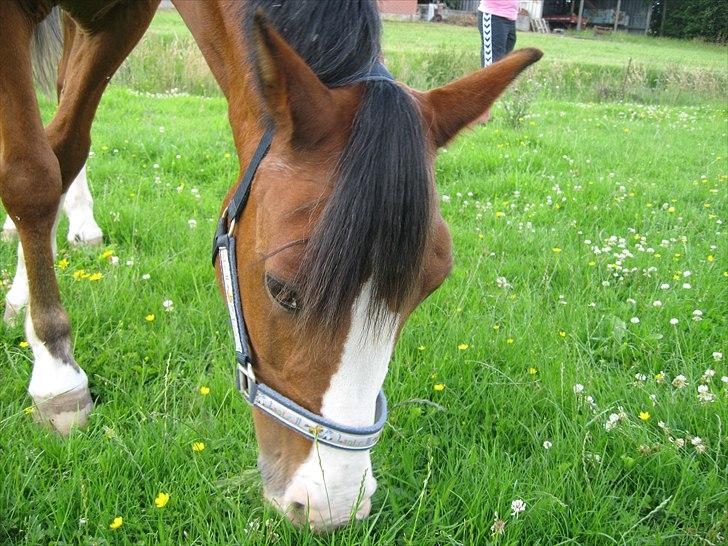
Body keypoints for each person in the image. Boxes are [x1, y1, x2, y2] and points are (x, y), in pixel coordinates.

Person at [477, 0, 519, 122]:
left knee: (503, 68)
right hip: (493, 15)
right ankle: (481, 116)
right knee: (491, 69)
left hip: (510, 17)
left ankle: (481, 112)